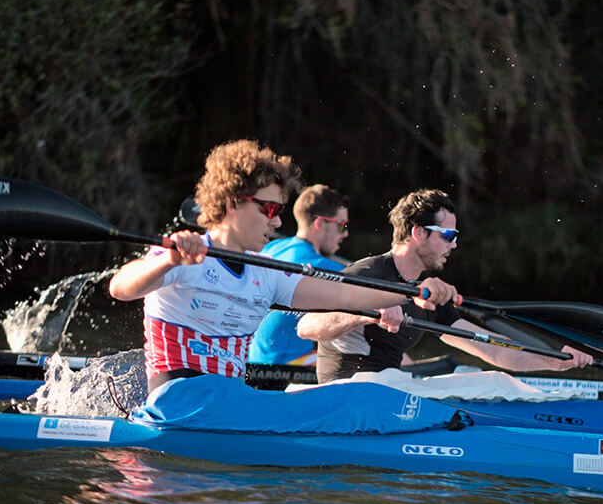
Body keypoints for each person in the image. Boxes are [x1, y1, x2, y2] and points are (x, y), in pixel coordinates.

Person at [108, 140, 456, 392]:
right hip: (175, 400)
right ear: (232, 203)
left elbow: (343, 294)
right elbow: (121, 288)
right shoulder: (186, 255)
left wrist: (412, 293)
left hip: (230, 401)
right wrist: (169, 258)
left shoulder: (267, 272)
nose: (276, 223)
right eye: (269, 210)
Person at [297, 189, 593, 382]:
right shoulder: (369, 272)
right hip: (344, 395)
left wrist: (556, 360)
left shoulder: (431, 294)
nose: (454, 244)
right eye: (448, 234)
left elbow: (493, 350)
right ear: (418, 233)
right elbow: (307, 326)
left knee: (487, 378)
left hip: (385, 394)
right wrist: (367, 312)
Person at [247, 184, 350, 366]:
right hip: (282, 364)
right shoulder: (317, 266)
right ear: (319, 224)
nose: (345, 234)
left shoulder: (272, 247)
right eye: (341, 226)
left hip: (250, 360)